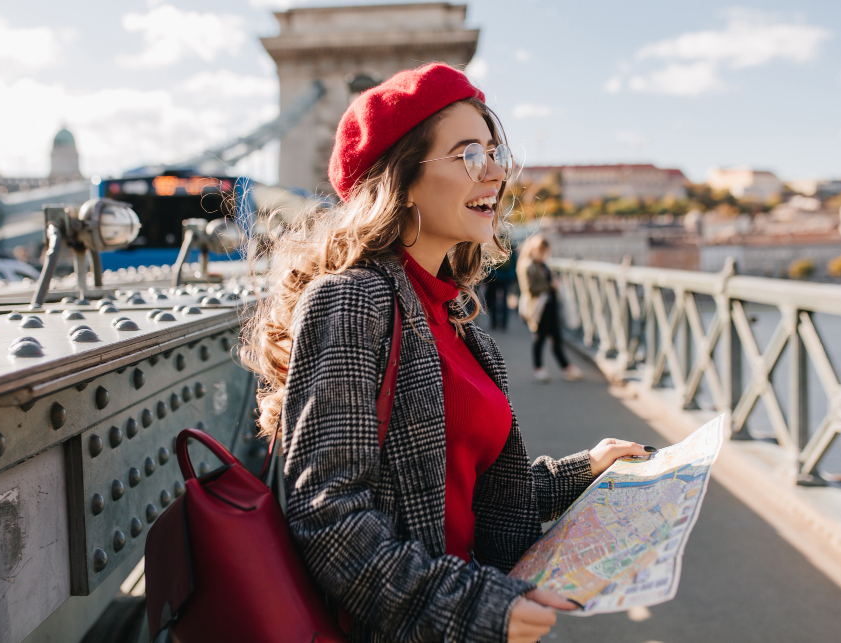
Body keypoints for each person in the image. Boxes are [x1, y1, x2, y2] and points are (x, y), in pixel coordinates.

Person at [243, 63, 647, 643]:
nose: (496, 174)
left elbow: (461, 499)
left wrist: (582, 470)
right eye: (468, 155)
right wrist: (479, 608)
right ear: (402, 181)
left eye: (494, 151)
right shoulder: (354, 300)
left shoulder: (456, 317)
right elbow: (328, 517)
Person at [517, 235, 584, 383]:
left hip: (550, 305)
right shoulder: (527, 265)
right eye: (542, 252)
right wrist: (550, 286)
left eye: (546, 252)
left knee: (556, 337)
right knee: (540, 338)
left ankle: (566, 367)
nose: (544, 255)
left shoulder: (542, 265)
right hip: (538, 308)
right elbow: (529, 289)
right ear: (534, 250)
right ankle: (539, 368)